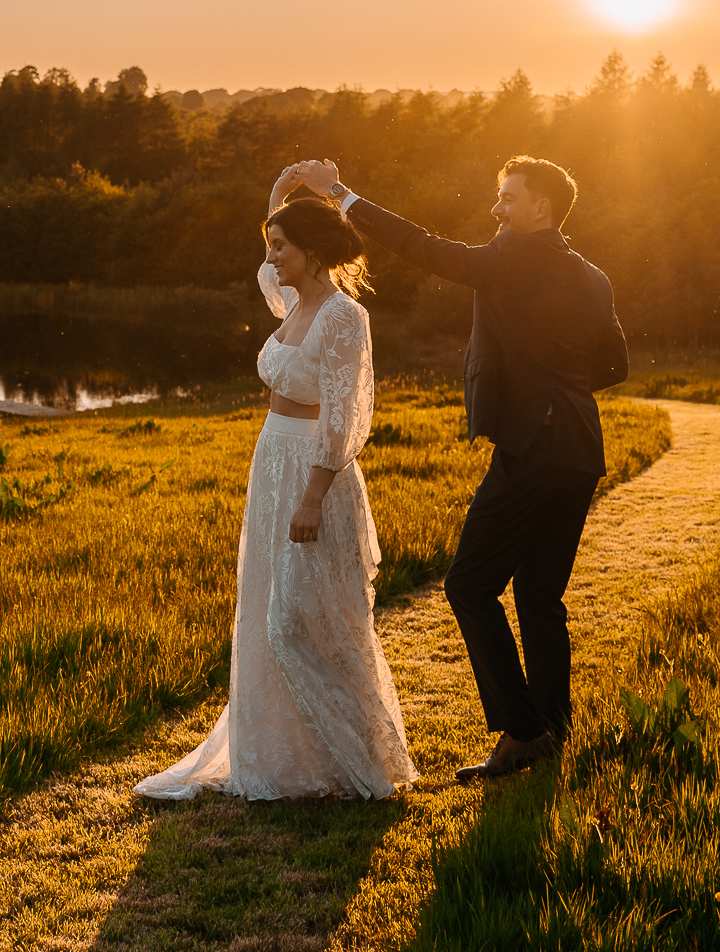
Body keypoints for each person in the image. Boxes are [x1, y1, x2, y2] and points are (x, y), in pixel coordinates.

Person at [294, 155, 627, 782]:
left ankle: (523, 731)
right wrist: (562, 391)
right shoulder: (592, 276)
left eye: (507, 198)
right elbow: (616, 363)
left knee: (468, 585)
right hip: (580, 448)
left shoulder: (509, 261)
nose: (496, 209)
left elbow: (423, 248)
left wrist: (341, 194)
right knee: (538, 594)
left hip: (533, 450)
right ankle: (552, 732)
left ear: (540, 210)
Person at [135, 166, 416, 800]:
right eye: (270, 246)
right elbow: (268, 274)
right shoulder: (296, 303)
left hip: (315, 472)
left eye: (281, 246)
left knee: (303, 615)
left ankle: (348, 759)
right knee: (266, 607)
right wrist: (277, 199)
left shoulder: (344, 317)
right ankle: (281, 762)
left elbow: (346, 415)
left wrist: (314, 495)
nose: (271, 259)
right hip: (272, 464)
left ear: (313, 252)